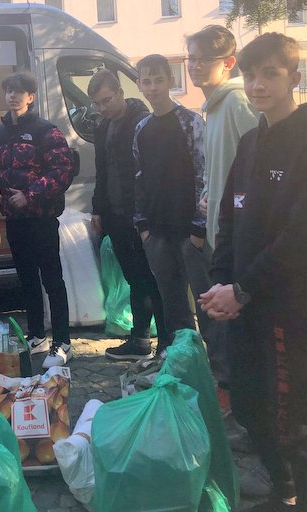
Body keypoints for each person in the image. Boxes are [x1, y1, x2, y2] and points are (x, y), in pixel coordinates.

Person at [199, 33, 307, 512]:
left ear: (294, 76)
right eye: (251, 74)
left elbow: (297, 237)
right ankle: (283, 497)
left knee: (294, 420)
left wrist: (243, 290)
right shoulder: (250, 142)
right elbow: (228, 220)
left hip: (289, 310)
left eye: (271, 73)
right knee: (248, 404)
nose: (259, 84)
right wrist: (222, 281)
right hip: (243, 308)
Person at [0, 71, 74, 368]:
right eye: (9, 91)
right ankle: (36, 335)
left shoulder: (46, 130)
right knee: (27, 279)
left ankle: (62, 342)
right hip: (15, 220)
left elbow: (62, 170)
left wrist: (30, 195)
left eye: (19, 91)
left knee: (52, 279)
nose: (13, 96)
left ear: (30, 97)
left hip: (42, 219)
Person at [186, 25, 259, 402]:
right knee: (221, 324)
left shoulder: (236, 103)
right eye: (191, 59)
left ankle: (243, 409)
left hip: (241, 237)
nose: (194, 66)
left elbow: (258, 163)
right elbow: (223, 167)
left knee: (238, 329)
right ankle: (229, 398)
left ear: (228, 63)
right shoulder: (213, 107)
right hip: (219, 231)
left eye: (203, 59)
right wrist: (208, 194)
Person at [87, 69, 167, 360]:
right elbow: (102, 170)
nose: (102, 108)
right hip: (115, 216)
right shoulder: (101, 125)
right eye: (97, 103)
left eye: (107, 100)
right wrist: (98, 208)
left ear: (121, 92)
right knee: (135, 279)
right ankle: (140, 340)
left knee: (153, 279)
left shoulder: (143, 121)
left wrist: (147, 216)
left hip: (142, 215)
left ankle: (167, 344)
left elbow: (153, 173)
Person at [133, 54, 211, 350]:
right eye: (147, 81)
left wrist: (198, 229)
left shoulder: (190, 122)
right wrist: (143, 227)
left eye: (158, 80)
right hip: (157, 233)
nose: (152, 88)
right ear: (139, 85)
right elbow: (139, 178)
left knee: (206, 307)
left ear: (171, 81)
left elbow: (205, 174)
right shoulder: (142, 128)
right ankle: (185, 367)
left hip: (190, 233)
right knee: (175, 310)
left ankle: (219, 376)